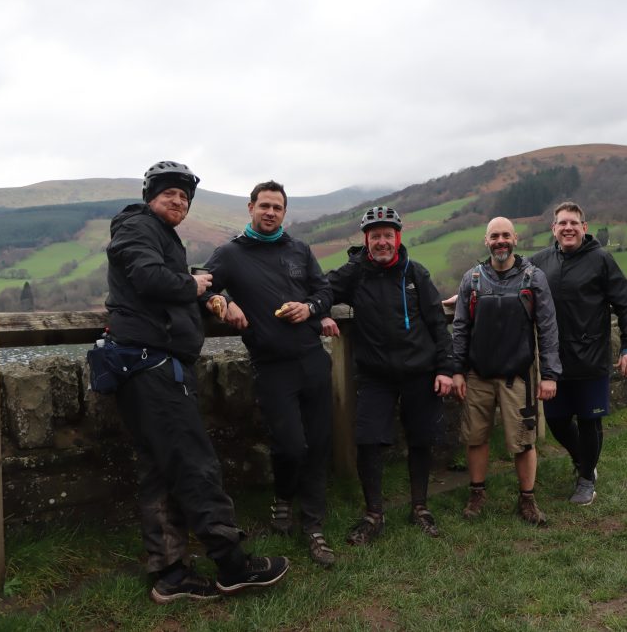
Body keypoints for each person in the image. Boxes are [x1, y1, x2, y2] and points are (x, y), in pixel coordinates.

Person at [105, 161, 288, 603]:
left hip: (147, 363)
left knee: (160, 470)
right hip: (152, 365)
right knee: (194, 463)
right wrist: (193, 285)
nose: (179, 201)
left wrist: (214, 295)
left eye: (185, 197)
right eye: (170, 193)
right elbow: (151, 278)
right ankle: (232, 564)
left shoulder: (157, 234)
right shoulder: (137, 226)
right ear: (151, 195)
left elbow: (176, 280)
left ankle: (171, 574)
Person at [203, 180, 336, 567]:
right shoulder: (230, 253)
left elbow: (324, 290)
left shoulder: (299, 249)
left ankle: (313, 525)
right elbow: (200, 284)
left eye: (277, 207)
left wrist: (310, 308)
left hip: (312, 360)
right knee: (291, 445)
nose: (271, 213)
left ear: (284, 212)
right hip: (272, 365)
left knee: (319, 443)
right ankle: (282, 496)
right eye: (264, 206)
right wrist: (223, 302)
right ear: (250, 208)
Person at [321, 206, 455, 544]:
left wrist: (445, 369)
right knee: (368, 441)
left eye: (387, 235)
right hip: (375, 375)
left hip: (419, 372)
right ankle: (373, 514)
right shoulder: (356, 273)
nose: (382, 242)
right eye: (375, 236)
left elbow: (438, 324)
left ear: (398, 238)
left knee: (421, 439)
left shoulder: (416, 274)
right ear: (366, 241)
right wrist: (318, 313)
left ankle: (420, 507)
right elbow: (321, 291)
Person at [450, 216, 561, 525]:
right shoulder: (472, 279)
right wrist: (457, 370)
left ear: (515, 239)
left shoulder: (533, 278)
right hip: (477, 375)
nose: (500, 241)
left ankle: (527, 501)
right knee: (475, 437)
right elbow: (460, 328)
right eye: (494, 236)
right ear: (486, 242)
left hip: (519, 375)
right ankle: (477, 493)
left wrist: (550, 375)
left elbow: (548, 328)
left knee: (524, 441)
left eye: (505, 235)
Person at [531, 202, 627, 506]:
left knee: (590, 420)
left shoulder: (601, 260)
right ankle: (585, 462)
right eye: (562, 223)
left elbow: (626, 304)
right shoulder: (539, 261)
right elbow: (506, 275)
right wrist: (468, 290)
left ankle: (585, 480)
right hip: (555, 360)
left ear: (584, 227)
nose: (568, 228)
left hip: (592, 357)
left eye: (573, 223)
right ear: (553, 229)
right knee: (555, 420)